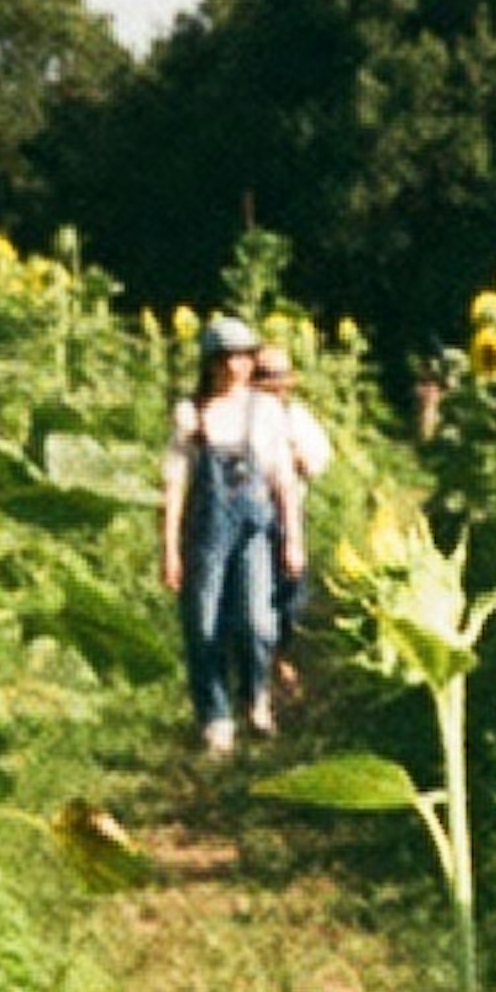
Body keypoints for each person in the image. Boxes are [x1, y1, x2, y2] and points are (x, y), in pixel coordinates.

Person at [159, 320, 305, 757]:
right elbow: (175, 483)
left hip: (255, 528)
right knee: (203, 627)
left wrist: (293, 538)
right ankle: (216, 718)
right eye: (226, 358)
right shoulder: (192, 415)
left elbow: (282, 477)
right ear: (210, 363)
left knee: (258, 621)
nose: (235, 367)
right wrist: (169, 549)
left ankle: (256, 695)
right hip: (205, 532)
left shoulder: (266, 410)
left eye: (243, 357)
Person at [252, 337, 336, 694]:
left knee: (291, 596)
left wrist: (295, 454)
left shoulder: (296, 418)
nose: (273, 384)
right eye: (264, 375)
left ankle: (280, 652)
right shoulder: (238, 419)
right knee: (252, 596)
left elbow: (317, 461)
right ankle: (258, 673)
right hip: (248, 516)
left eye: (279, 376)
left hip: (287, 518)